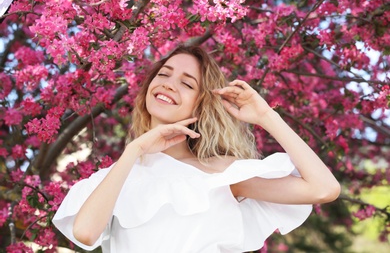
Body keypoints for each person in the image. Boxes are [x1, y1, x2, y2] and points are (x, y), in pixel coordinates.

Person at [53, 45, 340, 252]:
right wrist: (135, 150)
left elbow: (323, 189)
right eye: (163, 74)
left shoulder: (223, 174)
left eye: (187, 83)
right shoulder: (116, 177)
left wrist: (267, 117)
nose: (169, 85)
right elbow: (85, 233)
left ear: (201, 104)